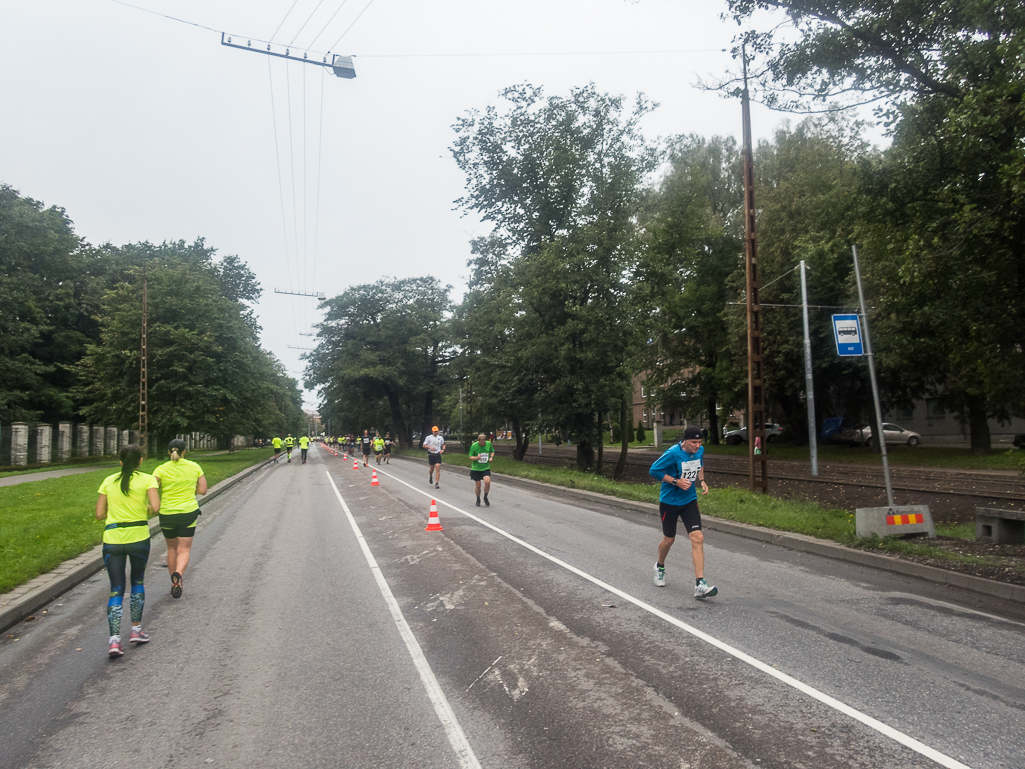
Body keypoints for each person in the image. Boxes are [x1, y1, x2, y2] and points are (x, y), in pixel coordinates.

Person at [95, 444, 160, 657]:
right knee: (137, 581)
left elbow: (99, 514)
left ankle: (114, 640)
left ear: (120, 461)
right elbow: (156, 507)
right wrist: (145, 509)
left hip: (112, 539)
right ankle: (136, 630)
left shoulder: (108, 481)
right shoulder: (147, 480)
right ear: (141, 461)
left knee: (116, 588)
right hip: (138, 537)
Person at [648, 425, 717, 599]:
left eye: (700, 441)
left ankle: (700, 584)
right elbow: (654, 470)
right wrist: (676, 481)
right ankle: (660, 567)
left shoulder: (699, 451)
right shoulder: (672, 453)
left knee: (698, 537)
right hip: (669, 502)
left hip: (689, 501)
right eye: (694, 442)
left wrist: (702, 481)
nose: (697, 445)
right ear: (685, 440)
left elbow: (699, 465)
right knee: (669, 540)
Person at [153, 438, 207, 600]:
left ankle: (174, 581)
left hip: (167, 513)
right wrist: (192, 489)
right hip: (188, 513)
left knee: (171, 548)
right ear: (184, 451)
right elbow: (203, 490)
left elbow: (151, 488)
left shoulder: (160, 469)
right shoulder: (194, 467)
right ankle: (179, 575)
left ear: (169, 452)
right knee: (183, 549)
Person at [468, 432, 494, 507]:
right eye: (481, 443)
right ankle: (478, 498)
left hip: (485, 467)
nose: (483, 444)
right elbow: (470, 456)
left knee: (487, 481)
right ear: (478, 441)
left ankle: (485, 496)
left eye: (484, 443)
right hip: (476, 468)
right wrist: (476, 458)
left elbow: (492, 451)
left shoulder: (488, 444)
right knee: (478, 485)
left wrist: (491, 457)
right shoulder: (474, 446)